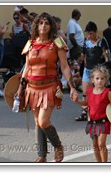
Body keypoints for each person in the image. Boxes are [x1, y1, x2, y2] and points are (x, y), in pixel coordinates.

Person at [15, 12, 78, 162]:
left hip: (50, 87)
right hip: (32, 87)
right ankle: (41, 156)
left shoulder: (57, 42)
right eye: (41, 23)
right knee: (38, 123)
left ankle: (58, 145)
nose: (43, 26)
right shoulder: (30, 43)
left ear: (51, 26)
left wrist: (72, 86)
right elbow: (26, 68)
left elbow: (64, 66)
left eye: (47, 23)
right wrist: (20, 88)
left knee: (43, 122)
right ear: (36, 25)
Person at [74, 65, 111, 162]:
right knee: (95, 145)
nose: (99, 81)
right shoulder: (90, 91)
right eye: (97, 78)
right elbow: (86, 103)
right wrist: (77, 101)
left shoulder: (108, 93)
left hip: (104, 122)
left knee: (101, 144)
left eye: (102, 78)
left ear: (106, 80)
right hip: (92, 122)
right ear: (92, 80)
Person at [75, 21, 109, 121]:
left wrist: (105, 71)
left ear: (96, 32)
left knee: (99, 93)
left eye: (91, 33)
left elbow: (106, 57)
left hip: (98, 72)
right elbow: (84, 57)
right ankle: (85, 112)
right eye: (88, 34)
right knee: (85, 92)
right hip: (87, 71)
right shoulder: (86, 43)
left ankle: (103, 112)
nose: (89, 36)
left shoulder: (102, 42)